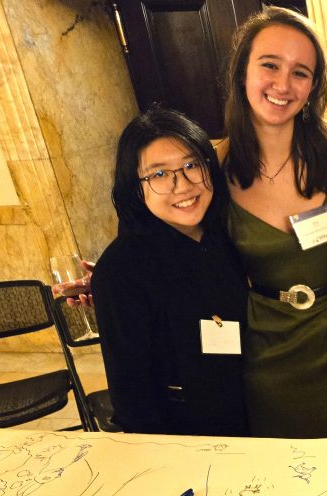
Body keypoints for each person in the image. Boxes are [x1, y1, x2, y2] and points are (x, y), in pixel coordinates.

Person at [222, 7, 327, 440]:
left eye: (301, 72)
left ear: (314, 85)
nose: (283, 84)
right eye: (270, 65)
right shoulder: (214, 162)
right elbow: (168, 236)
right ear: (243, 70)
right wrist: (109, 278)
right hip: (266, 351)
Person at [91, 107, 249, 437]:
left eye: (192, 165)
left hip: (255, 413)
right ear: (136, 188)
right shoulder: (121, 269)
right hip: (186, 433)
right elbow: (132, 397)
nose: (183, 185)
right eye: (160, 174)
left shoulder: (228, 234)